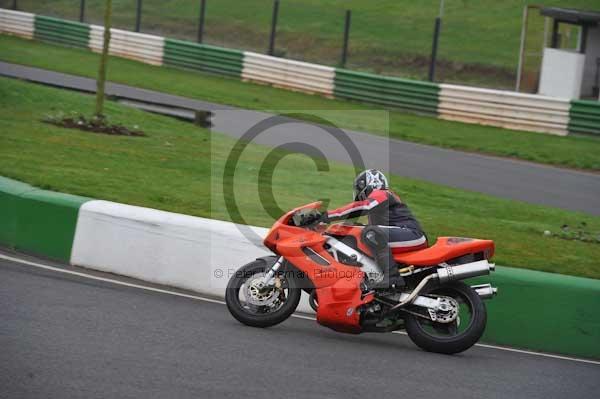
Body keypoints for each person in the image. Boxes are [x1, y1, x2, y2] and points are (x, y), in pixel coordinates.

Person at [322, 169, 427, 289]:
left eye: (358, 188)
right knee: (363, 231)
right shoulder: (379, 206)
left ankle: (392, 277)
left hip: (412, 234)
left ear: (368, 185)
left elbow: (364, 206)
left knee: (370, 233)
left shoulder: (382, 193)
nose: (357, 192)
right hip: (404, 234)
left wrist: (327, 216)